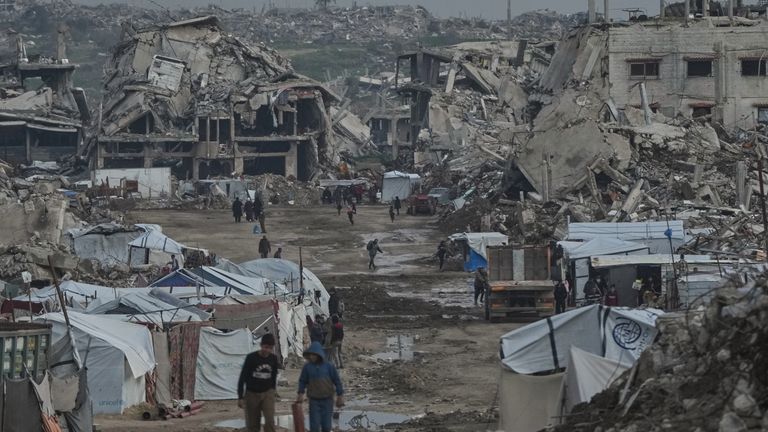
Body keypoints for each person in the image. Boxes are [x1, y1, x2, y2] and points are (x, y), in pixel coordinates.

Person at [296, 342, 344, 432]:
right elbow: (302, 381)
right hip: (314, 401)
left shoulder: (329, 366)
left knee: (326, 426)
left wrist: (340, 395)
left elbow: (337, 381)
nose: (312, 357)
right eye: (310, 355)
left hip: (327, 400)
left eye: (314, 355)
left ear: (319, 354)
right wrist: (300, 393)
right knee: (314, 426)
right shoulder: (307, 367)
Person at [238, 333, 279, 432]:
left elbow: (273, 376)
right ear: (261, 345)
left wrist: (273, 391)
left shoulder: (273, 359)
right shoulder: (251, 358)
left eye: (270, 348)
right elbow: (242, 377)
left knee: (270, 421)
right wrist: (240, 397)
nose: (267, 350)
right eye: (265, 347)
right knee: (253, 424)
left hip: (267, 393)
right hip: (252, 393)